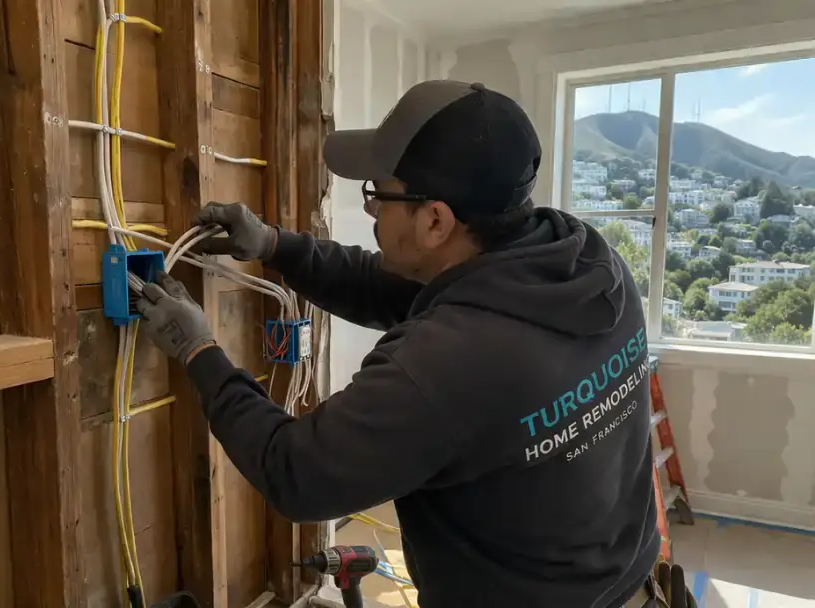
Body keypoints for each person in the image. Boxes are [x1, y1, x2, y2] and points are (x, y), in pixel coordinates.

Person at [136, 80, 660, 607]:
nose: (370, 211)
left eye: (378, 194)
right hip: (628, 581)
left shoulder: (449, 363)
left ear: (435, 220)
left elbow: (298, 473)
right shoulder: (588, 264)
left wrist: (198, 350)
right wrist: (276, 245)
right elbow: (397, 288)